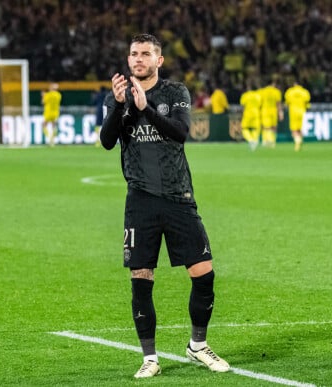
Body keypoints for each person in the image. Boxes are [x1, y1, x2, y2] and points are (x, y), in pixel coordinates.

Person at [99, 33, 230, 379]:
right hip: (140, 201)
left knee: (204, 273)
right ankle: (150, 358)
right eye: (133, 54)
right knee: (141, 279)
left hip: (178, 197)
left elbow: (180, 132)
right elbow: (107, 141)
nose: (138, 59)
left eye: (145, 54)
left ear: (159, 61)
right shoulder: (119, 96)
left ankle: (197, 345)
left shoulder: (175, 93)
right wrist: (117, 105)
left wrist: (145, 110)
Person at [284, 80, 311, 151]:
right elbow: (307, 104)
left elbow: (287, 103)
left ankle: (297, 142)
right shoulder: (305, 92)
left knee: (294, 129)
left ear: (294, 84)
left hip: (293, 112)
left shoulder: (289, 92)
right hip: (302, 112)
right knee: (301, 128)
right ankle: (300, 140)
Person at [258, 76, 283, 148]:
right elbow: (278, 104)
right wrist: (280, 113)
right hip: (273, 111)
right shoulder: (276, 92)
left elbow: (259, 103)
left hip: (264, 111)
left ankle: (265, 141)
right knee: (273, 127)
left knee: (265, 127)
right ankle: (272, 141)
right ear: (273, 83)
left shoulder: (261, 92)